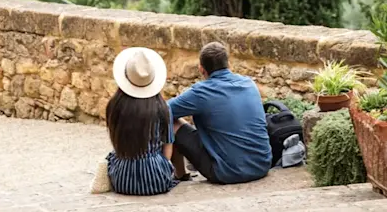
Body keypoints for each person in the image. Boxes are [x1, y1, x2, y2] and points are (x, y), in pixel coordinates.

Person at [168, 42, 272, 185]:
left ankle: (180, 175)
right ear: (229, 64)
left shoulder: (201, 92)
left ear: (201, 69)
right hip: (262, 166)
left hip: (226, 172)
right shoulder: (249, 84)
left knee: (172, 122)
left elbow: (163, 111)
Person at [103, 46, 178, 196]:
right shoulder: (163, 108)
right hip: (156, 179)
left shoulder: (114, 106)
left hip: (122, 181)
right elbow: (168, 146)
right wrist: (163, 168)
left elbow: (116, 143)